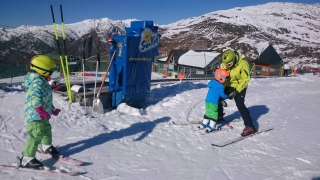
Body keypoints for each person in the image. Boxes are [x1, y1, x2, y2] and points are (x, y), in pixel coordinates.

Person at [21, 55, 62, 169]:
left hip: (43, 113)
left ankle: (46, 146)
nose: (52, 72)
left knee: (46, 130)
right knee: (36, 135)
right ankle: (27, 158)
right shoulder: (37, 82)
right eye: (50, 70)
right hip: (35, 115)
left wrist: (52, 109)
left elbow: (45, 97)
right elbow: (36, 97)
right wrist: (39, 109)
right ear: (42, 69)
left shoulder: (42, 80)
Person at [219, 49, 256, 136]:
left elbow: (245, 79)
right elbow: (224, 79)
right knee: (217, 96)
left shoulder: (243, 64)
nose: (227, 66)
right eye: (225, 64)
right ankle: (219, 116)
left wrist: (236, 91)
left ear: (233, 60)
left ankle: (250, 126)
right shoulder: (225, 65)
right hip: (229, 85)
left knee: (240, 104)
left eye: (229, 64)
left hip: (240, 86)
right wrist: (221, 91)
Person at [200, 68, 229, 132]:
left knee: (208, 112)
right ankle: (211, 126)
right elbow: (222, 95)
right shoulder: (220, 86)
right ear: (221, 78)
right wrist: (227, 96)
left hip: (207, 101)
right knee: (214, 114)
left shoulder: (212, 83)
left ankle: (203, 124)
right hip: (214, 102)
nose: (226, 80)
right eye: (225, 78)